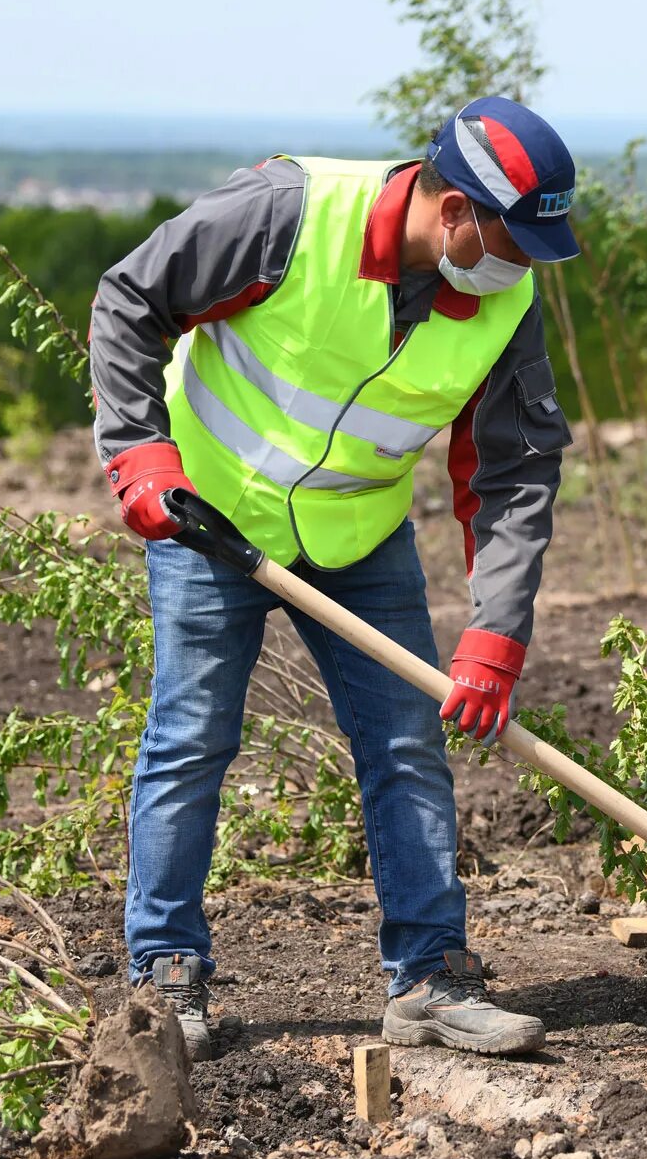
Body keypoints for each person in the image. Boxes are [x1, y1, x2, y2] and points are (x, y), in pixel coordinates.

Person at [90, 97, 579, 1058]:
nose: (521, 267)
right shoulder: (286, 213)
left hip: (361, 537)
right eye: (512, 241)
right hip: (212, 514)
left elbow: (516, 469)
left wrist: (497, 629)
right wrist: (140, 452)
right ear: (454, 216)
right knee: (191, 738)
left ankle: (430, 977)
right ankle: (164, 974)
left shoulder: (504, 300)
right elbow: (129, 298)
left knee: (406, 741)